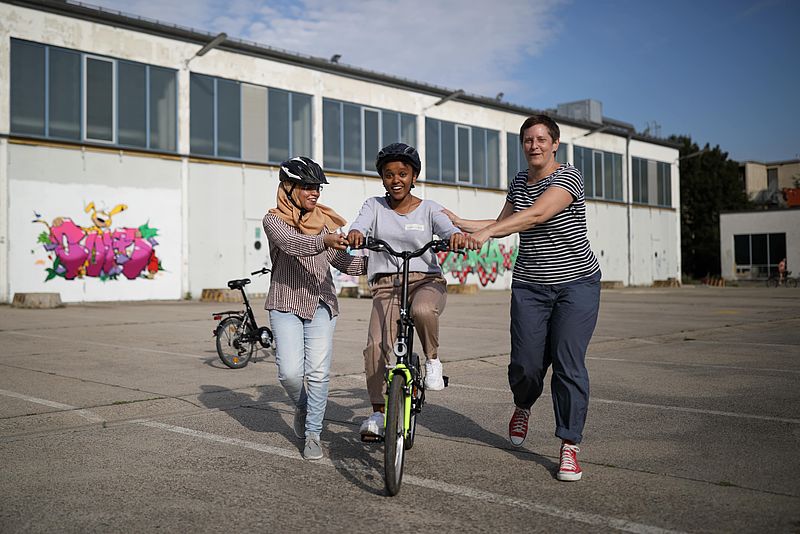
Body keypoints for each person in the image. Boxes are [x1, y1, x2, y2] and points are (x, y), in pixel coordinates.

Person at [444, 115, 601, 481]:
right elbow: (504, 221)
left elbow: (536, 215)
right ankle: (523, 404)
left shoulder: (569, 177)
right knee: (525, 365)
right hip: (530, 286)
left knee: (568, 364)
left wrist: (486, 234)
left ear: (555, 143)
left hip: (576, 284)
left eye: (541, 139)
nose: (534, 145)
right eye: (528, 140)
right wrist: (460, 223)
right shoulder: (518, 182)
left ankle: (569, 446)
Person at [347, 142, 471, 439]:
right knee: (375, 347)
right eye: (389, 174)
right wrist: (355, 234)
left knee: (422, 309)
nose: (396, 180)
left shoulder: (429, 208)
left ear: (413, 176)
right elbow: (360, 225)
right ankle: (378, 413)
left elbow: (446, 228)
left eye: (403, 173)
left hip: (425, 281)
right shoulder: (373, 205)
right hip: (387, 285)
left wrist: (454, 237)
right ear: (382, 179)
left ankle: (432, 361)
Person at [263, 156, 367, 460]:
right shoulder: (273, 220)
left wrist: (377, 262)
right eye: (308, 186)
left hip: (322, 302)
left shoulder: (327, 223)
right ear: (288, 187)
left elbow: (341, 261)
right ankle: (303, 404)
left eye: (317, 187)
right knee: (290, 373)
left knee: (319, 373)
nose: (315, 192)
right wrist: (325, 240)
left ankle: (312, 434)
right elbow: (294, 244)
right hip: (285, 302)